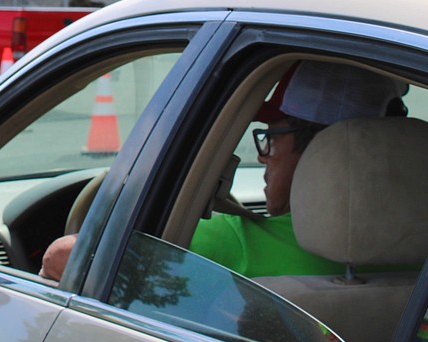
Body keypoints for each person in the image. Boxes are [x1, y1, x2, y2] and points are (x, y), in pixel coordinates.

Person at [39, 60, 406, 281]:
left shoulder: (232, 244)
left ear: (319, 155)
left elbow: (63, 257)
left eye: (272, 140)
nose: (263, 158)